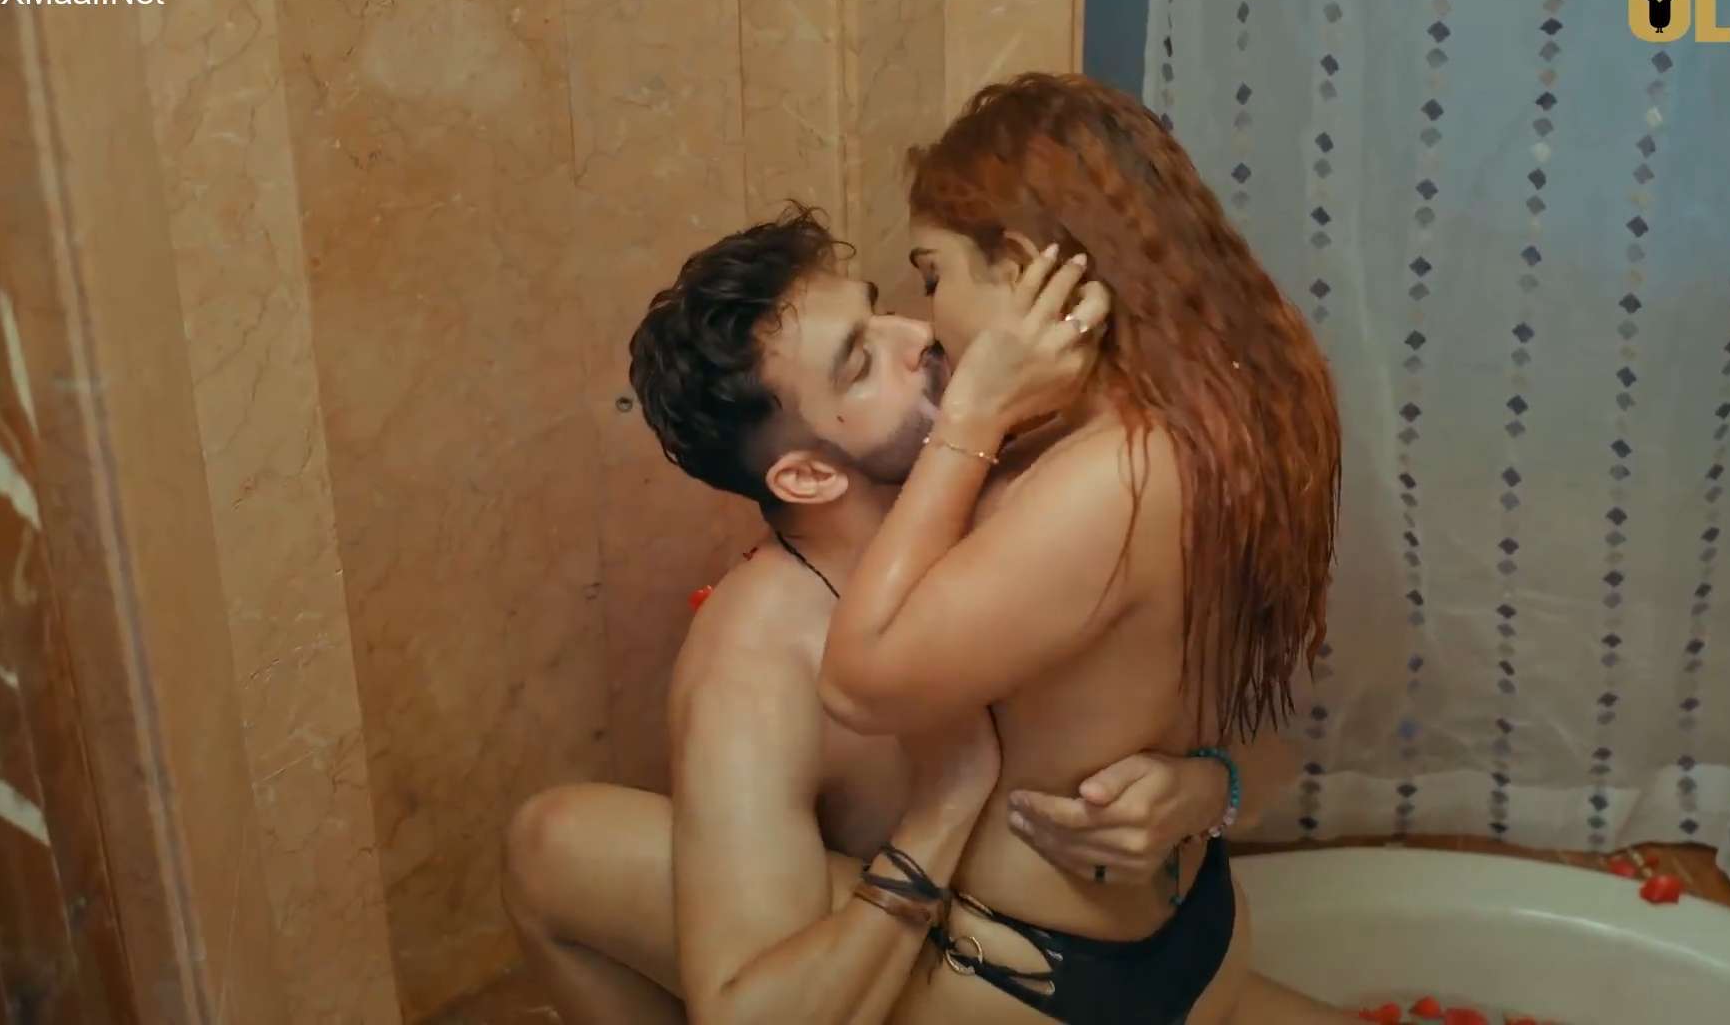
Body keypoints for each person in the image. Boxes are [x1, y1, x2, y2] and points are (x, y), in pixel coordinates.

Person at [501, 207, 1300, 1024]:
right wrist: (943, 810)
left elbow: (1283, 735)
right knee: (553, 842)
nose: (917, 335)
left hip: (1167, 953)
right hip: (1049, 978)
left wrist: (1207, 787)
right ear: (806, 478)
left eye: (882, 307)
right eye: (860, 362)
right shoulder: (761, 653)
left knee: (554, 847)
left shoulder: (1036, 486)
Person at [815, 72, 1344, 1023]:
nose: (928, 322)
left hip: (1040, 978)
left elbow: (860, 686)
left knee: (559, 850)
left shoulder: (1116, 476)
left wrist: (973, 415)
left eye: (933, 276)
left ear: (1022, 268)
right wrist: (1212, 786)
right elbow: (1240, 707)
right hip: (1195, 928)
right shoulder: (1239, 418)